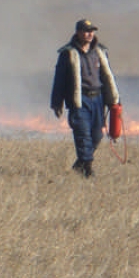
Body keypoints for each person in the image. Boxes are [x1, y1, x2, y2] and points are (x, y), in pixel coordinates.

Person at [50, 18, 120, 178]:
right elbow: (59, 79)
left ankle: (80, 164)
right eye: (86, 31)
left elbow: (108, 77)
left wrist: (114, 100)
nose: (90, 34)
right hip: (79, 100)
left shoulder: (100, 51)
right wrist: (56, 102)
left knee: (97, 135)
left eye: (92, 31)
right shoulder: (67, 53)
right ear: (78, 33)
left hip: (98, 99)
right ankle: (87, 169)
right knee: (83, 134)